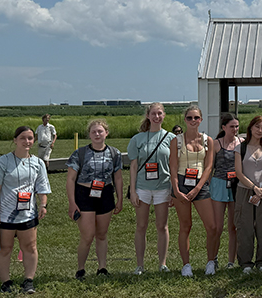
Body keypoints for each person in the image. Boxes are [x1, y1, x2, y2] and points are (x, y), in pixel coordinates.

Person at [0, 125, 51, 294]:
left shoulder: (38, 163)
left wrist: (43, 204)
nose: (27, 141)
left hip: (27, 213)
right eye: (23, 138)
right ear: (15, 140)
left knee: (30, 247)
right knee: (5, 248)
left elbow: (42, 186)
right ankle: (6, 283)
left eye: (30, 138)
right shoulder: (3, 162)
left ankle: (28, 281)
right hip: (5, 214)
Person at [66, 119, 123, 279]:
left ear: (106, 133)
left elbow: (118, 177)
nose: (97, 134)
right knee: (88, 235)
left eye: (100, 131)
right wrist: (72, 202)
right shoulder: (80, 153)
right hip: (84, 195)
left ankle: (102, 268)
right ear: (89, 134)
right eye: (94, 132)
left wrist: (119, 199)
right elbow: (70, 179)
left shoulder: (114, 153)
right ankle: (80, 269)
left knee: (102, 234)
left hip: (105, 194)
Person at [169, 104, 216, 278]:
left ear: (201, 120)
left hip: (200, 184)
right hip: (181, 184)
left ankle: (211, 262)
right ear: (185, 120)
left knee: (211, 226)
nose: (193, 121)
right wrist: (175, 189)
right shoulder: (177, 140)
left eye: (196, 118)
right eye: (189, 118)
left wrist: (198, 187)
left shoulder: (207, 140)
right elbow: (173, 166)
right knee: (185, 226)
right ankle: (186, 265)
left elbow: (209, 166)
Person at [127, 102, 173, 275]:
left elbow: (173, 166)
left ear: (164, 115)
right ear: (148, 115)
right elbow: (133, 166)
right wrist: (132, 190)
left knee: (162, 226)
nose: (156, 117)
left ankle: (163, 264)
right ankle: (140, 265)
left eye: (159, 113)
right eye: (153, 113)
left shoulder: (171, 138)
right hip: (142, 188)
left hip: (163, 187)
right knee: (141, 226)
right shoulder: (137, 139)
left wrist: (173, 191)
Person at [233, 114, 262, 273]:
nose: (260, 130)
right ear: (250, 127)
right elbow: (238, 173)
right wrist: (254, 188)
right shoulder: (240, 148)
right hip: (245, 192)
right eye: (257, 127)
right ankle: (246, 263)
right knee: (245, 228)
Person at [210, 113, 243, 272]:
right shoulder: (216, 144)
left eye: (237, 126)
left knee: (234, 226)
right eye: (232, 127)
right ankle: (213, 258)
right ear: (223, 128)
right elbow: (209, 168)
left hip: (236, 186)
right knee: (217, 226)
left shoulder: (241, 143)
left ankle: (231, 261)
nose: (235, 129)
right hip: (219, 185)